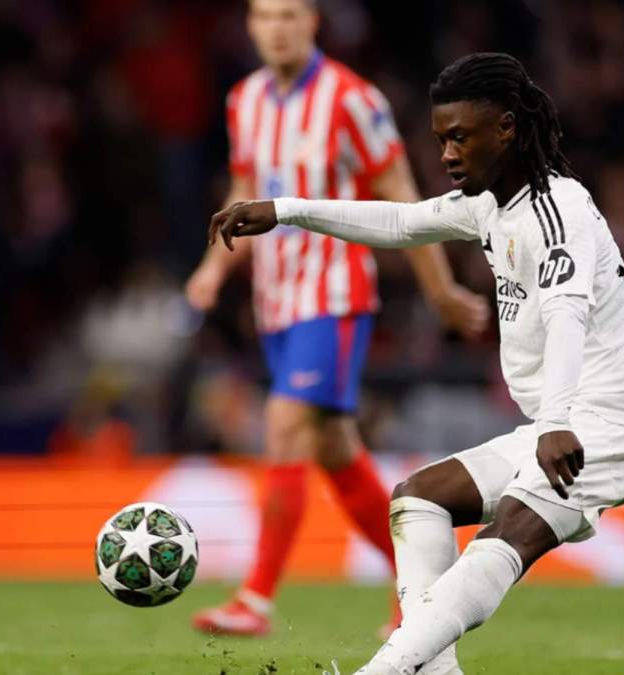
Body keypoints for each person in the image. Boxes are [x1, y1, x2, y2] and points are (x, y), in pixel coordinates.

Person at [208, 52, 624, 675]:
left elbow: (568, 312)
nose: (447, 155)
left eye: (460, 137)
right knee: (417, 499)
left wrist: (556, 422)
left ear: (507, 127)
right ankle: (436, 671)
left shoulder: (556, 208)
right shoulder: (491, 205)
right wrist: (286, 210)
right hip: (571, 416)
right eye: (440, 140)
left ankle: (382, 670)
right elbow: (403, 222)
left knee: (507, 534)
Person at [186, 0, 489, 637]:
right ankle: (425, 583)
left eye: (291, 15)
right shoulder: (244, 100)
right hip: (275, 302)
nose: (279, 27)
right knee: (333, 450)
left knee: (285, 422)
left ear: (313, 22)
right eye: (267, 16)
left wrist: (439, 290)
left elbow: (403, 196)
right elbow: (246, 176)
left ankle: (256, 600)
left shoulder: (352, 99)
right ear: (250, 24)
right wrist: (213, 269)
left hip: (335, 293)